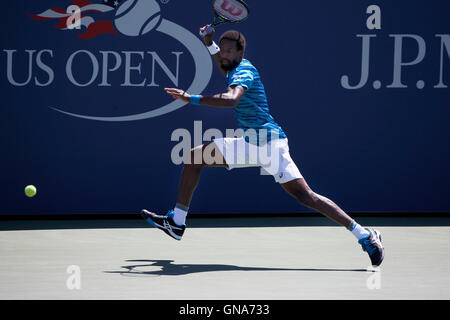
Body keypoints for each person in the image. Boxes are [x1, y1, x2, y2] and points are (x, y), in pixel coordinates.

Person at [141, 25, 385, 267]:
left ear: (240, 54)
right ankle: (177, 222)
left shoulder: (244, 71)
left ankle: (365, 235)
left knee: (305, 196)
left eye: (228, 51)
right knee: (195, 156)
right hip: (248, 143)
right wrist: (209, 43)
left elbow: (231, 100)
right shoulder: (233, 67)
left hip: (270, 145)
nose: (224, 55)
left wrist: (189, 97)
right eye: (222, 51)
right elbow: (222, 65)